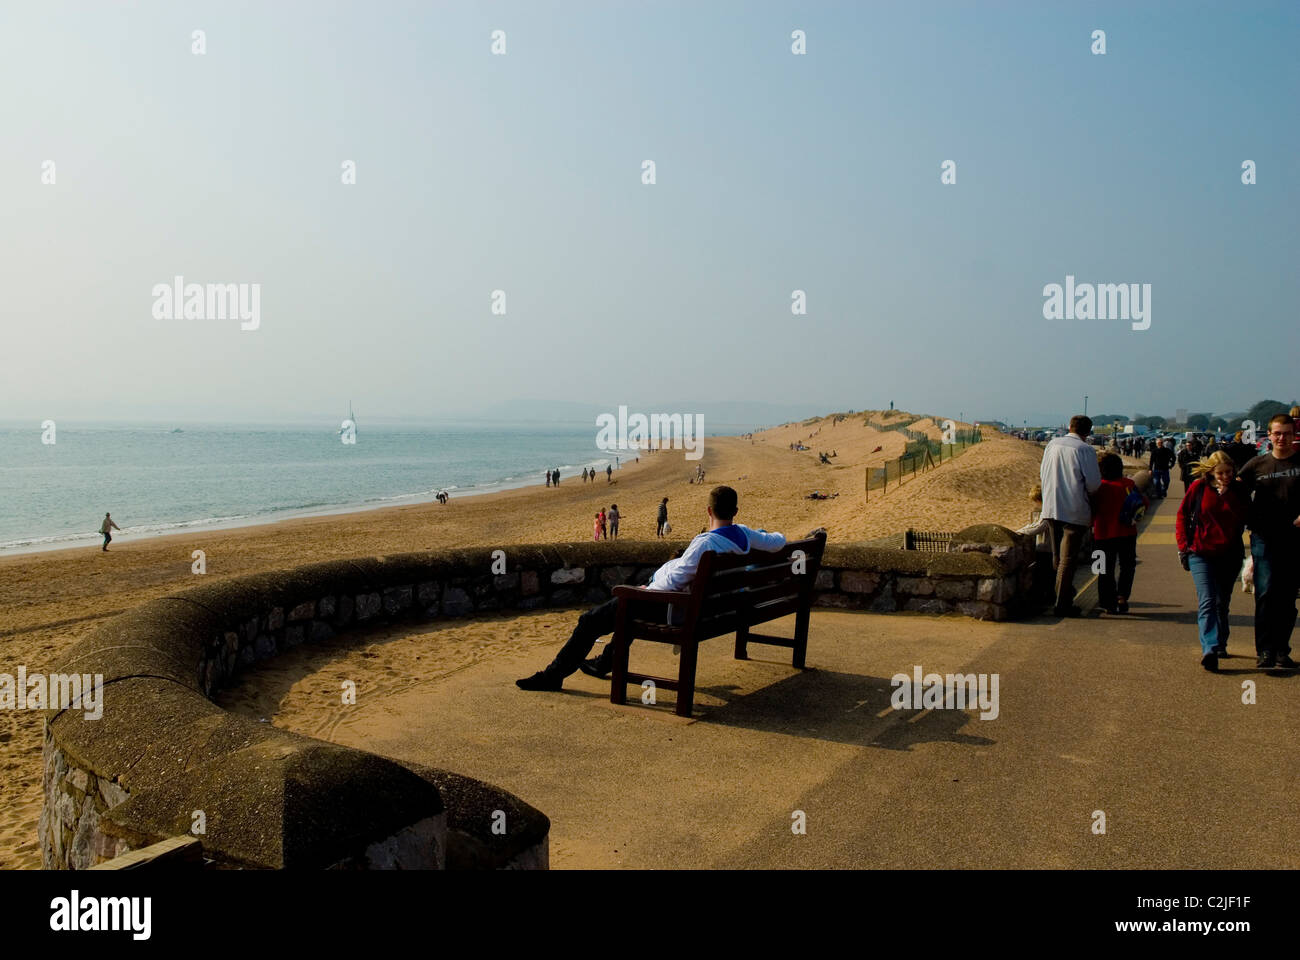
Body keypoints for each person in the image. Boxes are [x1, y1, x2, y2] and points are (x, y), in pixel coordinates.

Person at [516, 486, 790, 690]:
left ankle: (553, 677)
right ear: (735, 512)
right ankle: (603, 662)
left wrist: (644, 589)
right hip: (715, 609)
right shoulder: (744, 534)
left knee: (590, 620)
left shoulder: (705, 545)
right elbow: (776, 541)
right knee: (632, 604)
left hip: (678, 611)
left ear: (708, 511)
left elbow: (673, 582)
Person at [1236, 413, 1300, 669]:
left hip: (1295, 539)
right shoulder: (1257, 465)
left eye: (1286, 433)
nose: (1281, 438)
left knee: (1287, 596)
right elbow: (1235, 490)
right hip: (1263, 536)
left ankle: (1281, 650)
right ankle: (1264, 651)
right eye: (1277, 433)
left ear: (1294, 436)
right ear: (1269, 436)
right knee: (1265, 592)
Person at [1177, 451, 1249, 671]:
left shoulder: (1238, 490)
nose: (1225, 476)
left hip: (1230, 553)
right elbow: (1182, 515)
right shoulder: (1197, 488)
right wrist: (1183, 547)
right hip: (1200, 552)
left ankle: (1220, 644)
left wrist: (1227, 495)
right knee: (1207, 600)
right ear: (1210, 472)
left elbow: (1244, 517)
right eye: (1220, 473)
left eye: (1229, 472)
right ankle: (1209, 647)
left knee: (1221, 603)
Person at [1039, 415, 1101, 617]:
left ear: (1069, 427)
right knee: (1068, 559)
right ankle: (1062, 603)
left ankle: (1061, 594)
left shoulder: (1051, 445)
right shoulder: (1084, 450)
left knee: (1057, 556)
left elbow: (1042, 473)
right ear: (1087, 432)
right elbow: (1093, 484)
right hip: (1074, 509)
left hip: (1051, 507)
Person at [1092, 453, 1145, 615]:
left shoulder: (1098, 487)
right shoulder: (1128, 484)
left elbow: (1090, 510)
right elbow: (1143, 502)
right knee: (1127, 566)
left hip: (1102, 534)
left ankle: (1107, 602)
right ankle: (1122, 597)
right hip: (1127, 532)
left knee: (1102, 568)